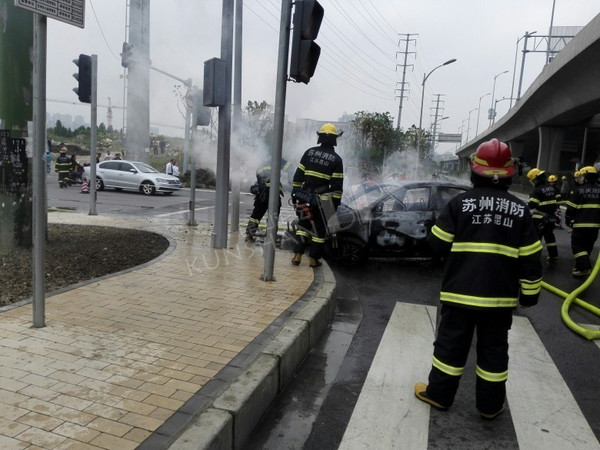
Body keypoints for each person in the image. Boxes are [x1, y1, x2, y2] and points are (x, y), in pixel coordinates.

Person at [414, 138, 543, 420]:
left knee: (450, 347)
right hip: (499, 300)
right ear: (510, 174)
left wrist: (431, 228)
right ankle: (489, 406)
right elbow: (532, 258)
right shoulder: (520, 211)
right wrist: (530, 295)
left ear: (474, 171)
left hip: (459, 295)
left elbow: (436, 245)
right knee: (494, 351)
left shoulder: (459, 204)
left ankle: (439, 395)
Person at [291, 123, 344, 267]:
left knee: (303, 226)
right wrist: (335, 206)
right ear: (334, 139)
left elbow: (297, 176)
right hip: (324, 202)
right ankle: (314, 260)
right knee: (319, 231)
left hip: (305, 198)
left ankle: (297, 256)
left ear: (320, 137)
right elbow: (337, 187)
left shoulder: (309, 152)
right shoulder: (337, 160)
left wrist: (295, 195)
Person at [565, 166, 600, 278]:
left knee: (577, 246)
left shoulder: (579, 190)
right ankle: (580, 267)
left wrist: (569, 221)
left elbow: (570, 208)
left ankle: (585, 268)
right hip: (595, 226)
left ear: (585, 177)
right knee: (588, 246)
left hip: (580, 225)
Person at [245, 159, 290, 242]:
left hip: (261, 193)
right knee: (273, 215)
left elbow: (259, 176)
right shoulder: (278, 159)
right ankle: (271, 236)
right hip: (273, 193)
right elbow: (291, 169)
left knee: (256, 215)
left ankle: (249, 235)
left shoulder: (262, 163)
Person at [526, 168, 559, 262]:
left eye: (532, 180)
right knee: (550, 237)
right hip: (551, 217)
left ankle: (534, 256)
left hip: (539, 218)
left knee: (536, 238)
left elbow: (532, 205)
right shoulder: (550, 188)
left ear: (536, 179)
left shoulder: (537, 190)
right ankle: (554, 255)